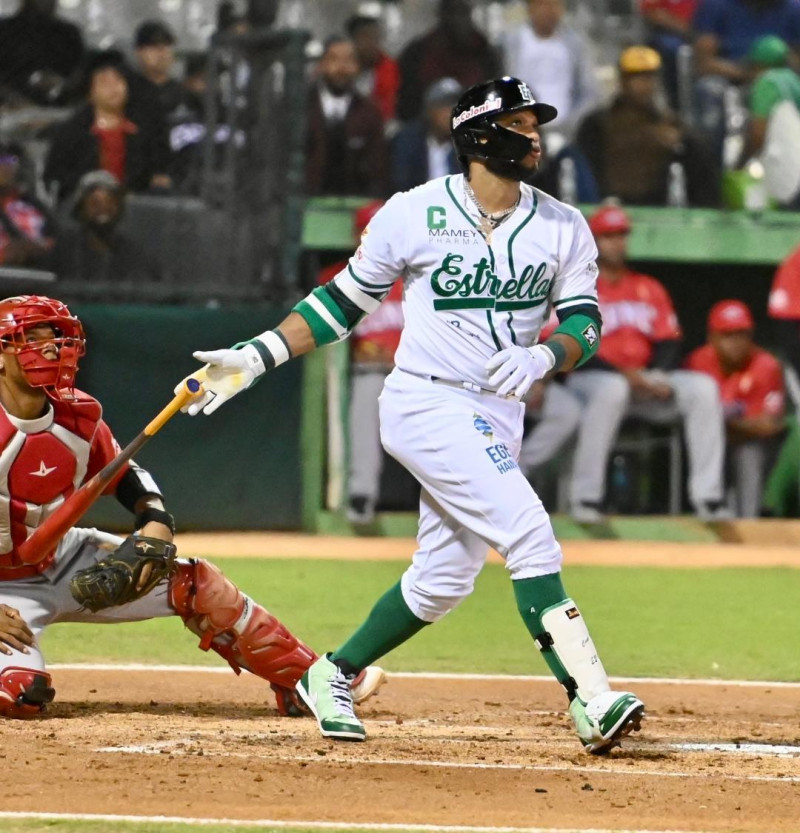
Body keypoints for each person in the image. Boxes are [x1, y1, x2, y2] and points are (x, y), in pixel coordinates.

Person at [178, 76, 645, 753]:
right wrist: (256, 355)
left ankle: (328, 672)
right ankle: (592, 699)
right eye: (519, 123)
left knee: (444, 577)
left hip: (499, 409)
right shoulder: (413, 212)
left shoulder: (563, 225)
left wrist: (547, 357)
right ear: (479, 135)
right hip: (426, 398)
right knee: (528, 532)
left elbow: (586, 324)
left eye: (536, 123)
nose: (536, 134)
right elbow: (340, 304)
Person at [0, 294, 384, 718]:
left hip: (64, 559)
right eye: (30, 339)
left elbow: (122, 473)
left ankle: (308, 680)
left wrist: (155, 520)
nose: (52, 349)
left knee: (199, 584)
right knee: (21, 697)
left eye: (56, 338)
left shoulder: (79, 416)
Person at [524, 204, 727, 523]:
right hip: (589, 381)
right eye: (608, 236)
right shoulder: (574, 286)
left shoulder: (649, 287)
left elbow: (669, 340)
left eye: (621, 235)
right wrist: (627, 375)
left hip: (642, 382)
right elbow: (564, 344)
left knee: (703, 389)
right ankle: (586, 498)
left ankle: (708, 498)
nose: (617, 243)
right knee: (613, 389)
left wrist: (655, 375)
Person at [318, 200, 404, 525]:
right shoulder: (337, 278)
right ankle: (361, 494)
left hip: (418, 376)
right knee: (368, 394)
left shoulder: (421, 280)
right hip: (369, 375)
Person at [577, 46, 720, 206]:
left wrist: (681, 140)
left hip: (655, 203)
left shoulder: (667, 121)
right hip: (611, 202)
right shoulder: (598, 122)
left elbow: (699, 152)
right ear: (623, 81)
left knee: (698, 147)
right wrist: (649, 137)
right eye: (638, 78)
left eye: (650, 77)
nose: (645, 85)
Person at [686, 299, 786, 516]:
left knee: (748, 453)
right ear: (712, 337)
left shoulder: (765, 365)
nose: (736, 342)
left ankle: (749, 524)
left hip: (753, 445)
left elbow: (769, 425)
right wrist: (736, 423)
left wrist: (725, 423)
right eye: (727, 335)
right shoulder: (698, 362)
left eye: (742, 334)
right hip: (708, 444)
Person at [43, 50, 173, 206]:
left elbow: (157, 170)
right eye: (104, 83)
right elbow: (56, 177)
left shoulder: (144, 131)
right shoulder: (71, 132)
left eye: (118, 81)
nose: (113, 88)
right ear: (90, 92)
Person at [502, 0, 600, 143]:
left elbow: (589, 91)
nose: (549, 10)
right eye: (542, 4)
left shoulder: (576, 44)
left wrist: (572, 123)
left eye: (555, 4)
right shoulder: (511, 43)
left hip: (566, 132)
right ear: (530, 8)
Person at [305, 36, 389, 197]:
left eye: (349, 60)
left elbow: (377, 169)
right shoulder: (302, 107)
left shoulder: (369, 113)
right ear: (321, 64)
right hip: (307, 203)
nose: (342, 68)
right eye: (334, 59)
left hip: (353, 205)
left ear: (357, 66)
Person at [51, 170, 162, 286]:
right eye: (95, 204)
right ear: (81, 210)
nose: (102, 210)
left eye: (109, 203)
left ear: (119, 209)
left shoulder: (135, 256)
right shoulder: (63, 251)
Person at [396, 0, 501, 121]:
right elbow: (408, 102)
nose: (459, 20)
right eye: (453, 13)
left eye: (463, 13)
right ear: (442, 16)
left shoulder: (484, 51)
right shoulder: (419, 52)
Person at [0, 0, 85, 106]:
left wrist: (63, 85)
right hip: (10, 110)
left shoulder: (68, 33)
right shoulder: (5, 31)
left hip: (60, 108)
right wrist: (13, 99)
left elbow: (80, 75)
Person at [391, 78, 462, 192]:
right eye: (444, 106)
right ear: (429, 111)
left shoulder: (470, 142)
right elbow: (401, 183)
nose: (451, 113)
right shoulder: (409, 140)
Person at [0, 142, 56, 270]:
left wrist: (38, 247)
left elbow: (58, 237)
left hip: (36, 273)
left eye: (10, 160)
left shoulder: (30, 203)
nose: (5, 167)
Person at [639, 0, 698, 108]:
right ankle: (677, 104)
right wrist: (688, 31)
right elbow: (654, 13)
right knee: (672, 49)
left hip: (706, 32)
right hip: (668, 34)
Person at [346, 14, 401, 124]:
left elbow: (387, 107)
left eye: (376, 37)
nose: (372, 43)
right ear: (353, 40)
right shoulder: (341, 65)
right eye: (366, 37)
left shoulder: (388, 67)